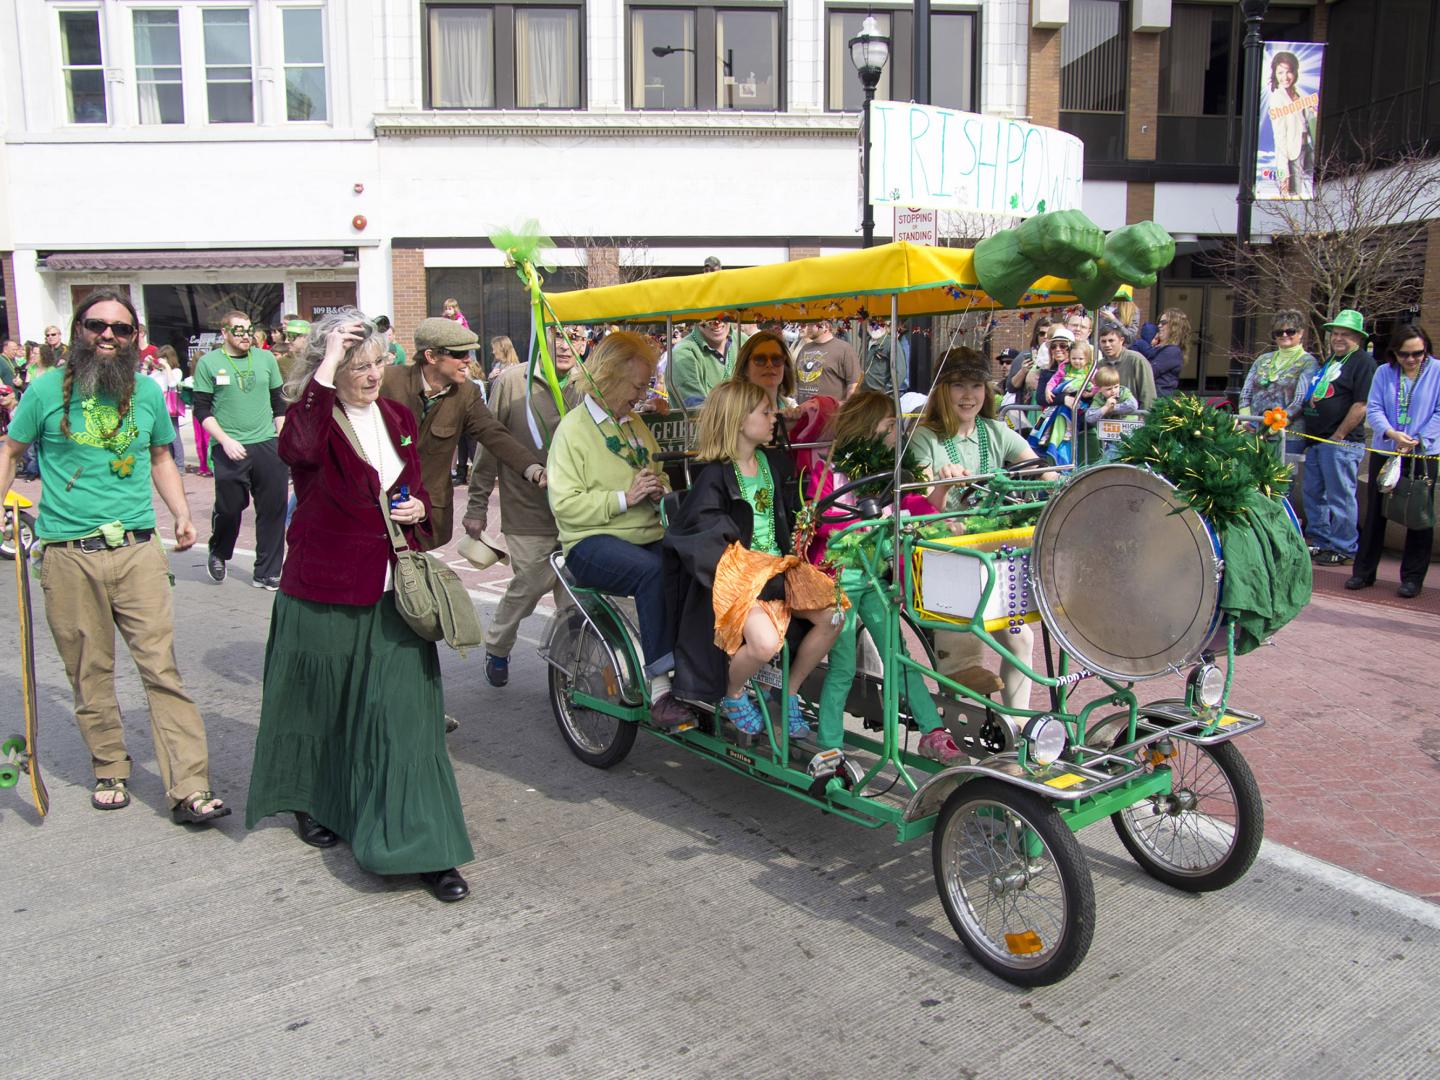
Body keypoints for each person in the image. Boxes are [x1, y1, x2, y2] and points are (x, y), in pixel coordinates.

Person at [245, 309, 473, 903]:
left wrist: (418, 510)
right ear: (331, 369)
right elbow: (296, 446)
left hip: (394, 589)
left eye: (378, 363)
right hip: (323, 585)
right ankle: (311, 800)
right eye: (358, 365)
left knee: (406, 721)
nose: (373, 374)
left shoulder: (397, 416)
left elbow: (413, 484)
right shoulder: (312, 417)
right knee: (320, 706)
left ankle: (425, 846)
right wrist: (323, 367)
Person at [0, 290, 228, 823]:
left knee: (161, 669)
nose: (108, 335)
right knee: (90, 671)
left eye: (120, 329)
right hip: (66, 552)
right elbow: (10, 451)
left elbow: (160, 456)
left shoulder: (147, 392)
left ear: (135, 339)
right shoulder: (43, 392)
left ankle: (189, 787)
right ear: (78, 330)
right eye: (97, 325)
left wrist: (181, 514)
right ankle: (109, 766)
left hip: (137, 550)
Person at [665, 381, 842, 734]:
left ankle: (789, 691)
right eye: (765, 411)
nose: (774, 416)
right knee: (764, 643)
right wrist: (750, 570)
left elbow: (786, 519)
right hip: (741, 578)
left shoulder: (770, 463)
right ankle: (732, 692)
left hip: (779, 568)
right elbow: (706, 540)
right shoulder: (714, 475)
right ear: (738, 420)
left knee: (834, 616)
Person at [804, 390, 968, 764]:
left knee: (899, 656)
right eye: (889, 424)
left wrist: (942, 488)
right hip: (838, 578)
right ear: (867, 429)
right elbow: (824, 521)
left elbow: (920, 508)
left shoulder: (890, 474)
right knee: (844, 665)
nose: (897, 431)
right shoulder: (828, 470)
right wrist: (869, 522)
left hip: (874, 574)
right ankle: (829, 740)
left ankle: (932, 731)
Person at [547, 331, 694, 729]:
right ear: (608, 378)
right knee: (653, 573)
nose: (642, 394)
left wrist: (657, 487)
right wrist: (625, 498)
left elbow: (657, 471)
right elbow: (564, 505)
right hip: (589, 542)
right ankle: (661, 690)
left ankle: (698, 673)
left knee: (699, 564)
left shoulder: (633, 425)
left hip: (645, 533)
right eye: (637, 385)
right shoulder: (573, 431)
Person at [909, 349, 1046, 712]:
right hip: (944, 547)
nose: (968, 395)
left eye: (976, 385)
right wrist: (943, 483)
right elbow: (924, 505)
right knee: (956, 568)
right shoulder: (926, 437)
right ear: (942, 390)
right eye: (958, 385)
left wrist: (1057, 482)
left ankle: (1018, 727)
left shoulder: (996, 431)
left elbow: (1038, 467)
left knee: (1022, 640)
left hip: (990, 546)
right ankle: (959, 680)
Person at [465, 328, 579, 688]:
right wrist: (477, 505)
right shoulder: (513, 381)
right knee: (530, 584)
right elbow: (489, 445)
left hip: (577, 510)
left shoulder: (588, 382)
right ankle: (498, 644)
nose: (564, 344)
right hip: (527, 507)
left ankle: (572, 669)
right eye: (556, 335)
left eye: (574, 336)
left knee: (575, 595)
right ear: (540, 339)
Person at [379, 317, 542, 550]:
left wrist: (534, 470)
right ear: (431, 356)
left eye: (469, 353)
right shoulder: (387, 382)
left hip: (428, 514)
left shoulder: (467, 393)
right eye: (459, 354)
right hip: (381, 510)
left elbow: (493, 433)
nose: (467, 360)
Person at [193, 310, 288, 589]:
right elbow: (201, 408)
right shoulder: (209, 364)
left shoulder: (266, 358)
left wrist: (281, 437)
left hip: (266, 443)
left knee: (273, 509)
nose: (245, 336)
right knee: (230, 507)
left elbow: (278, 402)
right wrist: (224, 439)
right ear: (224, 333)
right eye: (238, 331)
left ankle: (267, 571)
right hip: (229, 445)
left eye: (248, 330)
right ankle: (219, 551)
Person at [1349, 324, 1438, 598]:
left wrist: (1419, 438)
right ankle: (1363, 572)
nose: (1411, 360)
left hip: (1422, 452)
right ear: (1394, 353)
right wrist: (1391, 433)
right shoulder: (1384, 373)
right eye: (1404, 354)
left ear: (1426, 350)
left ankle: (1412, 578)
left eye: (1417, 354)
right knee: (1376, 512)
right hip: (1387, 449)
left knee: (1418, 515)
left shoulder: (1437, 371)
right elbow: (1373, 407)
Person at [1300, 308, 1376, 566]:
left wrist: (1339, 434)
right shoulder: (1333, 360)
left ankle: (1344, 547)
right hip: (1317, 441)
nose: (1338, 338)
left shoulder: (1363, 362)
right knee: (1313, 493)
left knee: (1340, 497)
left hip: (1341, 442)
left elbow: (1361, 404)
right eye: (1335, 333)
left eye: (1345, 334)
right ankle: (1320, 541)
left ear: (1358, 337)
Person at [1238, 310, 1318, 445]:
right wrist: (1247, 422)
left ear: (1301, 333)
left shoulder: (1308, 362)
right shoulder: (1262, 359)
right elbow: (1245, 394)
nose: (1284, 335)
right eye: (1279, 332)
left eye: (1290, 331)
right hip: (1253, 432)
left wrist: (1271, 429)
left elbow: (1299, 402)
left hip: (1288, 436)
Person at [730, 330, 799, 436]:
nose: (769, 365)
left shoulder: (792, 408)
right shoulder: (732, 409)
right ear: (745, 368)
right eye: (760, 359)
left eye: (776, 359)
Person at [665, 318, 745, 410]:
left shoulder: (743, 340)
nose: (717, 322)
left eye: (722, 313)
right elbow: (697, 409)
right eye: (709, 315)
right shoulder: (682, 354)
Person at [1268, 50, 1316, 199]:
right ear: (1275, 74)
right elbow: (1279, 134)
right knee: (1295, 195)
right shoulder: (1277, 98)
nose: (1285, 77)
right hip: (1293, 152)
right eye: (1280, 72)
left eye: (1288, 72)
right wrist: (1283, 171)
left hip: (1308, 146)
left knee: (1308, 188)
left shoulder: (1299, 94)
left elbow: (1308, 120)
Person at [793, 320, 861, 403]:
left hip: (831, 413)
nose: (808, 327)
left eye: (812, 324)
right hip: (804, 413)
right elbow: (796, 381)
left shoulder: (844, 349)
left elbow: (853, 385)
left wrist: (845, 409)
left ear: (826, 326)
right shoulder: (805, 348)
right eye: (807, 323)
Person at [1084, 364, 1139, 462]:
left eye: (1116, 387)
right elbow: (1089, 417)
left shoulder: (1123, 392)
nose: (1113, 391)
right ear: (1100, 389)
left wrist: (1112, 408)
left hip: (1129, 435)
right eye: (1108, 389)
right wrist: (1105, 408)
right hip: (1111, 437)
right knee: (1109, 459)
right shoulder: (1099, 398)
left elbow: (1133, 405)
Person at [1096, 324, 1156, 410]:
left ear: (1121, 340)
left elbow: (1148, 394)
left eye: (1111, 340)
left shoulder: (1136, 360)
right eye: (1103, 341)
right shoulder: (1099, 365)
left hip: (1133, 418)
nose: (1107, 345)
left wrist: (1145, 418)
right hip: (1106, 419)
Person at [1136, 308, 1187, 398]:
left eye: (1163, 323)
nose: (1159, 326)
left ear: (1174, 326)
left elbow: (1149, 372)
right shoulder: (1159, 348)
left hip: (1159, 400)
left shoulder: (1172, 351)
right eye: (1159, 323)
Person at [862, 319, 908, 395]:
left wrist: (886, 390)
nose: (875, 327)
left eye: (880, 324)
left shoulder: (892, 343)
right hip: (865, 393)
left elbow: (900, 373)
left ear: (886, 324)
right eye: (872, 324)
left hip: (882, 395)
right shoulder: (866, 341)